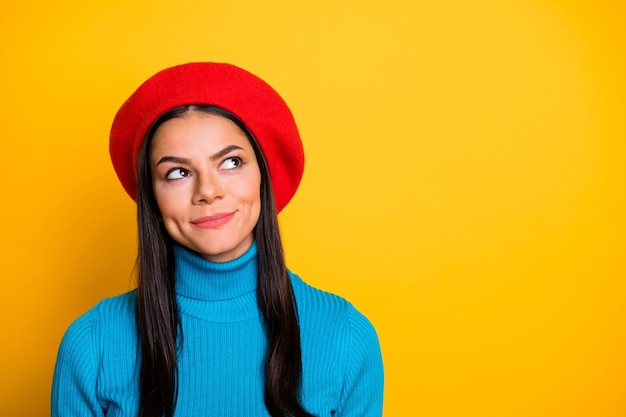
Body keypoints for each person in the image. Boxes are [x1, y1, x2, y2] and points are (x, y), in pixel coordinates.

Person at [52, 62, 384, 417]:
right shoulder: (92, 344)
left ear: (263, 175)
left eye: (231, 162)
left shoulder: (346, 336)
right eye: (178, 172)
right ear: (152, 195)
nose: (208, 191)